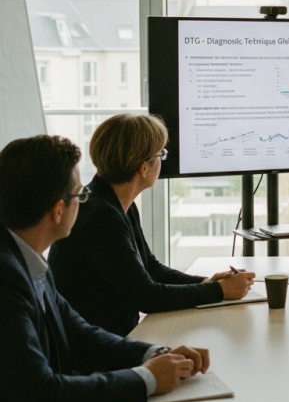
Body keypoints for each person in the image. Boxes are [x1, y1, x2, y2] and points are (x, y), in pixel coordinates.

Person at [0, 135, 210, 402]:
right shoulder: (7, 278)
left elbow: (78, 332)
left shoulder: (24, 255)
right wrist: (148, 379)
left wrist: (155, 355)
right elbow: (41, 397)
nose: (84, 201)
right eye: (79, 195)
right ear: (58, 210)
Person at [49, 114, 254, 336]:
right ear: (143, 167)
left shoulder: (114, 202)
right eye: (161, 154)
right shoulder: (100, 216)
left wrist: (207, 282)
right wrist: (218, 291)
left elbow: (151, 268)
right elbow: (146, 296)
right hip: (98, 350)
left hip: (115, 337)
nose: (163, 159)